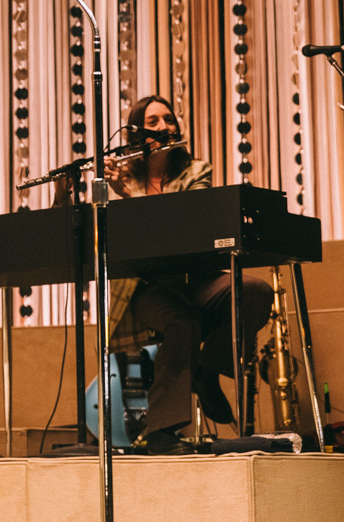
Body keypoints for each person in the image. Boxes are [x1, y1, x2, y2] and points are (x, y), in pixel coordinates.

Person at [106, 95, 272, 455]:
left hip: (195, 277)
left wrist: (130, 201)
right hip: (144, 287)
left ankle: (206, 368)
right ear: (136, 131)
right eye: (153, 122)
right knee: (182, 322)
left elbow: (183, 228)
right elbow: (119, 240)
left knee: (255, 290)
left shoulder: (196, 172)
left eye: (169, 119)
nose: (165, 127)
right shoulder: (120, 180)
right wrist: (115, 193)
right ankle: (161, 431)